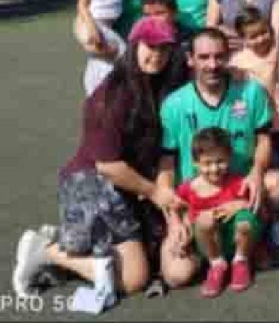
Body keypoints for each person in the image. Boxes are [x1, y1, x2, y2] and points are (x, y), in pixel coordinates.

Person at [12, 17, 190, 312]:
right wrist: (157, 193)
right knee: (134, 280)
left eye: (164, 49)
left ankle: (71, 242)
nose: (157, 56)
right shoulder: (111, 95)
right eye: (150, 47)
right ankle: (47, 252)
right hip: (92, 179)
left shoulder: (165, 82)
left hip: (132, 183)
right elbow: (108, 166)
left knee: (153, 255)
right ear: (133, 45)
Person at [156, 28, 279, 289]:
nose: (212, 64)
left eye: (219, 56)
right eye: (204, 57)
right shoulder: (174, 104)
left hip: (238, 189)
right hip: (198, 199)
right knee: (177, 275)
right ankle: (215, 253)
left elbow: (264, 138)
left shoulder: (251, 92)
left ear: (229, 56)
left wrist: (257, 171)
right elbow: (167, 162)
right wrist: (172, 216)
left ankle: (249, 243)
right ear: (190, 59)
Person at [230, 8, 279, 250]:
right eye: (253, 36)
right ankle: (275, 223)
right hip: (261, 130)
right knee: (272, 179)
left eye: (264, 32)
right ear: (243, 38)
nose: (261, 39)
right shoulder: (238, 63)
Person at [175, 128, 262, 297]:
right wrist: (178, 227)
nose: (214, 168)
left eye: (220, 161)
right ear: (196, 163)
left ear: (229, 158)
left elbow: (259, 208)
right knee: (205, 220)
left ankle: (240, 261)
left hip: (235, 241)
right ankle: (217, 265)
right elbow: (174, 207)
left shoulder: (237, 183)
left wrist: (242, 204)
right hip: (209, 246)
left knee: (245, 219)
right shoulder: (189, 188)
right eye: (207, 163)